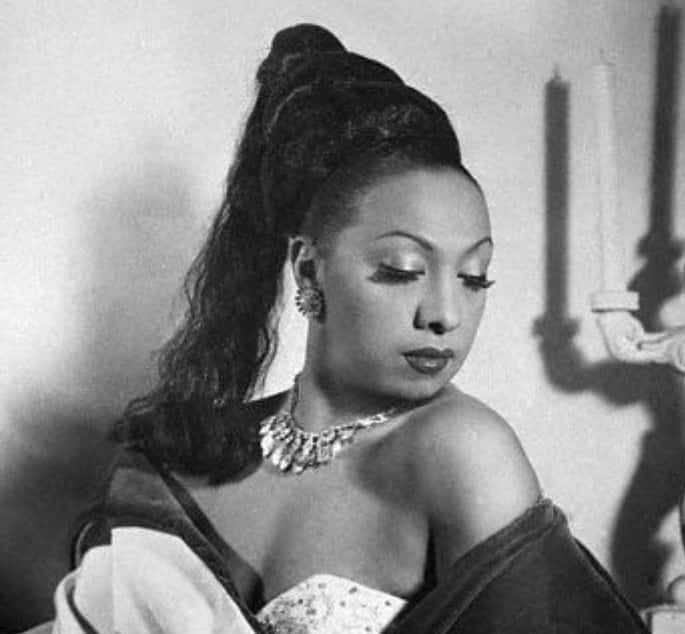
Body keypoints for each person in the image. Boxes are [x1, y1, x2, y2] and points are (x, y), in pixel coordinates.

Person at [27, 23, 648, 634]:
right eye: (402, 270)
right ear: (307, 267)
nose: (446, 314)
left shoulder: (462, 451)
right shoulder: (185, 462)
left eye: (474, 277)